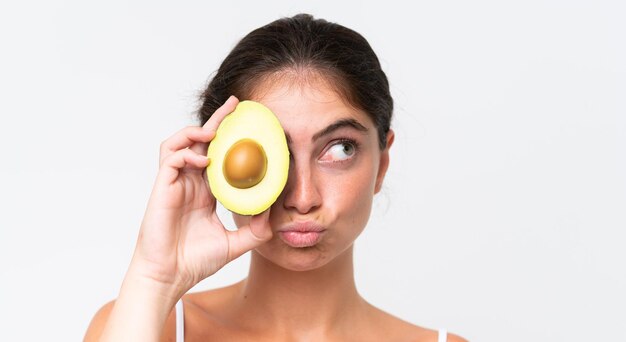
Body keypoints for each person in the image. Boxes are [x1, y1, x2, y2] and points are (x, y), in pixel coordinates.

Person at [84, 13, 467, 342]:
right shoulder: (148, 325)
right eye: (272, 154)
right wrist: (155, 278)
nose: (302, 198)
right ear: (212, 163)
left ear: (381, 164)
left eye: (339, 149)